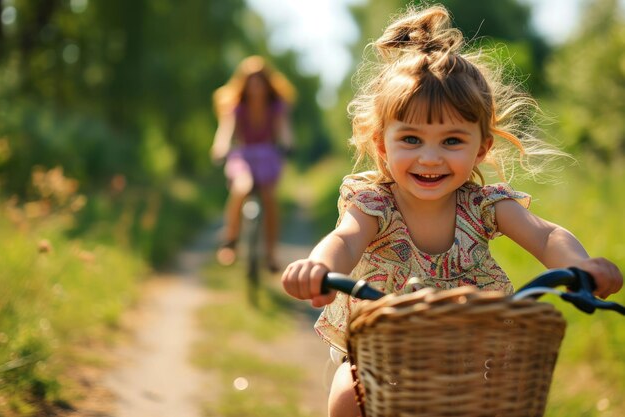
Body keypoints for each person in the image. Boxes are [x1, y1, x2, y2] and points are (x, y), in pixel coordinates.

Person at [280, 5, 623, 417]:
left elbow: (545, 235)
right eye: (410, 138)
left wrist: (582, 267)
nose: (430, 158)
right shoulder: (376, 204)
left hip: (474, 358)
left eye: (451, 141)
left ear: (481, 147)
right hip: (382, 353)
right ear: (382, 144)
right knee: (346, 396)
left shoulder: (485, 206)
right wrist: (318, 269)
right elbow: (345, 239)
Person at [211, 56, 296, 272]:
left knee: (269, 197)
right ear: (244, 83)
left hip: (267, 156)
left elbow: (284, 130)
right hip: (243, 156)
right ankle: (230, 240)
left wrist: (287, 144)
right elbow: (226, 131)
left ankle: (270, 254)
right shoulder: (236, 107)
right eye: (251, 81)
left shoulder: (276, 107)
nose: (255, 86)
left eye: (259, 81)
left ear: (266, 84)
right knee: (241, 187)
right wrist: (220, 148)